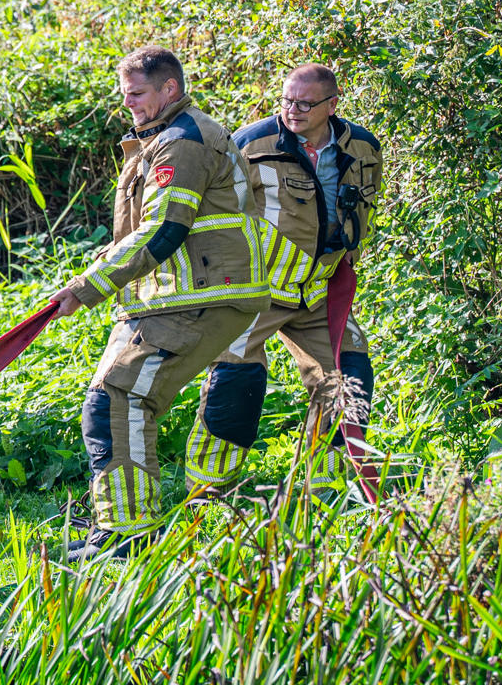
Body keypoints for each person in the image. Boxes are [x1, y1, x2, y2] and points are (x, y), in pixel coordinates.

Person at [48, 47, 269, 558]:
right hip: (181, 297)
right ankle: (124, 527)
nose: (130, 105)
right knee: (115, 399)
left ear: (170, 89)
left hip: (199, 296)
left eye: (138, 94)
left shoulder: (181, 141)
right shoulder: (166, 136)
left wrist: (86, 288)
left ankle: (127, 535)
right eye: (125, 95)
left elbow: (165, 229)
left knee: (118, 400)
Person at [202, 63, 384, 490]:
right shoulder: (248, 143)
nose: (292, 110)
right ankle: (207, 495)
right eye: (286, 100)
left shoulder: (363, 148)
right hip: (255, 291)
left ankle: (319, 490)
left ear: (332, 105)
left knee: (349, 379)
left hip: (318, 291)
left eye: (305, 103)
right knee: (235, 386)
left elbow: (361, 213)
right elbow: (213, 213)